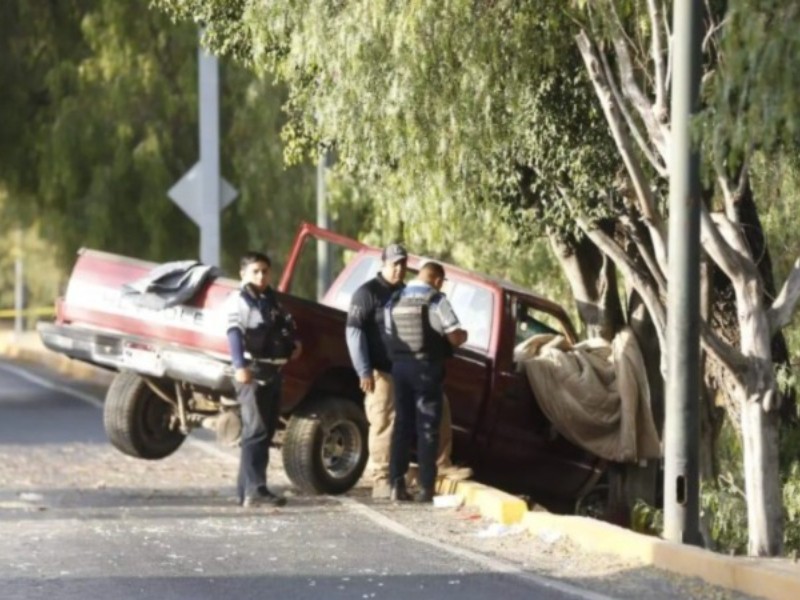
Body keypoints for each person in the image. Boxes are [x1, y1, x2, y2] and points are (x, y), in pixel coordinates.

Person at [385, 261, 468, 503]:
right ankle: (425, 488)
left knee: (401, 425)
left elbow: (389, 334)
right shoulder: (435, 300)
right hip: (426, 368)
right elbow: (454, 337)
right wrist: (464, 335)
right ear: (438, 280)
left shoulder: (395, 299)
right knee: (427, 429)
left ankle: (396, 485)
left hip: (399, 368)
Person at [224, 251, 302, 508]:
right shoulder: (240, 300)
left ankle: (246, 491)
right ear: (243, 274)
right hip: (253, 373)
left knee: (264, 432)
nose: (261, 276)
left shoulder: (269, 300)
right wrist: (239, 365)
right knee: (255, 431)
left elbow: (279, 329)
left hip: (273, 372)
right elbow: (234, 333)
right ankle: (255, 490)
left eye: (265, 271)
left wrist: (292, 345)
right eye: (255, 271)